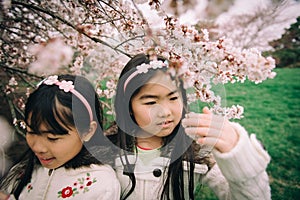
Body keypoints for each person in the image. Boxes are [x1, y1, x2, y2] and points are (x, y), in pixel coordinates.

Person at [111, 54, 271, 200]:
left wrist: (238, 158)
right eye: (151, 102)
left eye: (173, 97)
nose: (165, 112)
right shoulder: (108, 150)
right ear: (128, 106)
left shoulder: (196, 148)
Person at [0, 74, 120, 200]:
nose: (38, 147)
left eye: (52, 138)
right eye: (31, 132)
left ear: (88, 131)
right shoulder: (27, 169)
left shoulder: (101, 185)